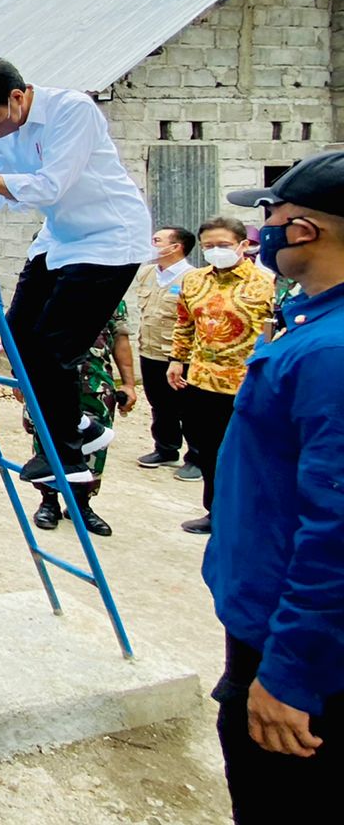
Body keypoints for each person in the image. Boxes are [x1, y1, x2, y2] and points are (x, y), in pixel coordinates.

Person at [0, 59, 153, 488]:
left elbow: (48, 187)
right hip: (60, 237)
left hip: (109, 238)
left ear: (16, 97)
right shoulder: (7, 128)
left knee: (55, 347)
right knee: (17, 337)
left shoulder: (72, 110)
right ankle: (81, 427)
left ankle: (67, 457)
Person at [205, 151, 344, 817]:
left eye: (270, 217)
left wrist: (290, 673)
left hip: (297, 647)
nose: (261, 233)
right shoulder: (315, 321)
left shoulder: (331, 353)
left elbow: (335, 532)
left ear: (305, 230)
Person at [168, 216, 276, 535]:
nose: (216, 250)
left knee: (246, 453)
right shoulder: (193, 281)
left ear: (243, 245)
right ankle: (215, 512)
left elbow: (275, 333)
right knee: (208, 451)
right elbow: (185, 323)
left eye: (224, 245)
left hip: (247, 383)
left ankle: (249, 517)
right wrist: (177, 359)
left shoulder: (266, 283)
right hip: (201, 380)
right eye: (209, 245)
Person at [29, 299, 136, 536]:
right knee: (47, 440)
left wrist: (129, 383)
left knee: (95, 445)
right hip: (49, 383)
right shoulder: (48, 289)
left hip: (95, 385)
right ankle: (49, 502)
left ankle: (81, 505)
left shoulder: (111, 294)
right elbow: (25, 333)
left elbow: (120, 339)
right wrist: (19, 376)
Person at [133, 227, 199, 473]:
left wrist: (179, 357)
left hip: (180, 355)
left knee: (189, 407)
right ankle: (166, 449)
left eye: (157, 241)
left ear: (176, 247)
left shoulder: (194, 278)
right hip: (150, 350)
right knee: (159, 404)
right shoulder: (147, 273)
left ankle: (196, 458)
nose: (151, 244)